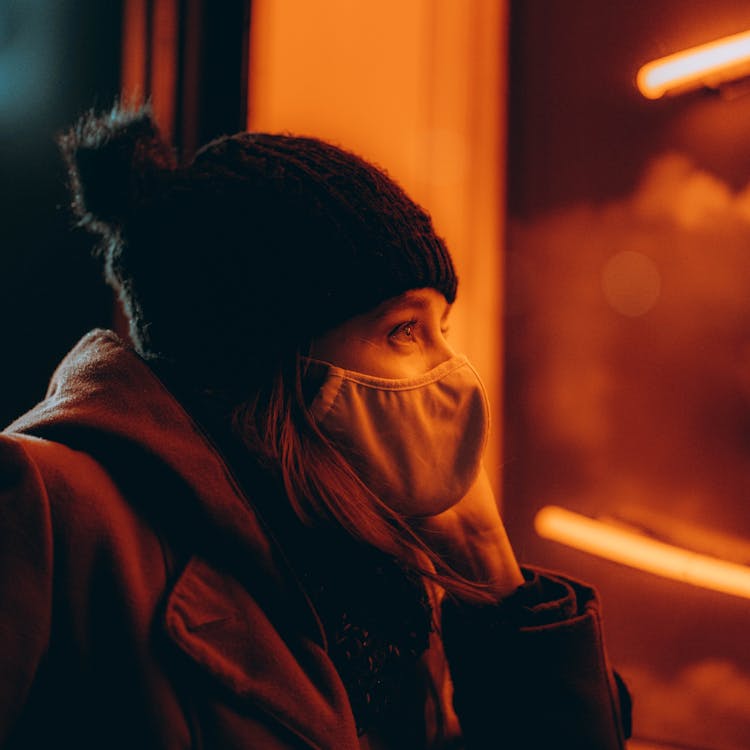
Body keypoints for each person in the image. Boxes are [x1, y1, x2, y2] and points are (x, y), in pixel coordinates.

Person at [0, 105, 631, 749]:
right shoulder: (46, 511)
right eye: (404, 330)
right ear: (263, 354)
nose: (451, 370)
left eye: (443, 327)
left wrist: (489, 567)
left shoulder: (380, 573)